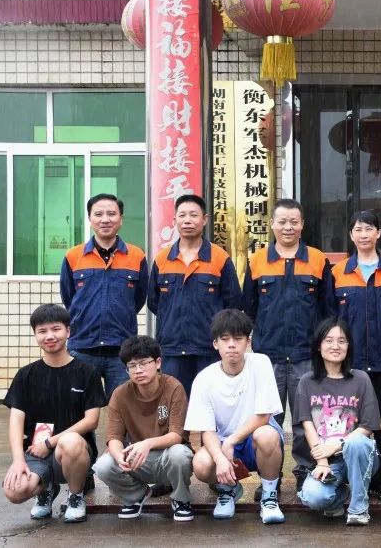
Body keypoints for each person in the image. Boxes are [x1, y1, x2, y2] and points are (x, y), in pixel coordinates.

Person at [244, 198, 336, 491]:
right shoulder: (257, 260)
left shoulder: (318, 260)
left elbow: (328, 310)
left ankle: (306, 473)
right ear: (272, 224)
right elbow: (248, 309)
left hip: (305, 355)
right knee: (267, 421)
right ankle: (269, 480)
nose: (288, 227)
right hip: (267, 356)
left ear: (302, 225)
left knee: (305, 420)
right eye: (282, 221)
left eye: (293, 222)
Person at [2, 304, 106, 523]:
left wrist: (49, 443)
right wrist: (18, 461)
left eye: (56, 329)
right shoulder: (25, 375)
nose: (49, 336)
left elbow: (91, 421)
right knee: (14, 491)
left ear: (68, 331)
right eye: (42, 331)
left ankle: (76, 496)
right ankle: (46, 490)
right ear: (35, 335)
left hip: (72, 452)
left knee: (70, 441)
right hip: (35, 452)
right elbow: (16, 422)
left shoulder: (87, 372)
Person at [329, 210, 381, 503]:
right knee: (347, 422)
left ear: (378, 233)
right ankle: (348, 479)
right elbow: (330, 317)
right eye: (358, 229)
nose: (363, 234)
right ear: (351, 235)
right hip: (349, 360)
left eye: (369, 228)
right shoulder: (337, 272)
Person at [186, 309, 286, 523]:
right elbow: (207, 430)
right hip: (222, 443)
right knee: (201, 464)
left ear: (248, 342)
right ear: (215, 344)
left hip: (253, 440)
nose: (231, 345)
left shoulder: (261, 363)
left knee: (267, 435)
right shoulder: (204, 379)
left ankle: (269, 496)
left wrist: (232, 440)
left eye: (238, 338)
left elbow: (263, 415)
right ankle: (227, 490)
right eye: (225, 339)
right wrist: (220, 458)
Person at [148, 194, 242, 396]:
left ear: (204, 219)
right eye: (182, 215)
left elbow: (233, 303)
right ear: (175, 220)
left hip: (209, 348)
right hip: (171, 348)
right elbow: (154, 303)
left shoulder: (220, 258)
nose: (187, 220)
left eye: (193, 215)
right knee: (173, 403)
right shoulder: (162, 259)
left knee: (211, 401)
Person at [92, 335, 194, 521]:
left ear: (158, 362)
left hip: (167, 456)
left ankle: (181, 499)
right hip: (137, 459)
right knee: (103, 465)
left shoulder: (173, 387)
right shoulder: (120, 394)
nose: (138, 370)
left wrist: (147, 443)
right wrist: (118, 456)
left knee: (180, 454)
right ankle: (136, 495)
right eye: (132, 366)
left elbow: (177, 435)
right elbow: (114, 437)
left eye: (144, 363)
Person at [60, 193, 148, 399]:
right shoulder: (73, 256)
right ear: (90, 219)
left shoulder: (136, 256)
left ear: (121, 219)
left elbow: (138, 299)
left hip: (122, 350)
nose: (105, 219)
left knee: (123, 407)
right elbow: (69, 297)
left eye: (111, 214)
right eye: (98, 214)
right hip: (82, 347)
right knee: (78, 407)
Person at [295, 318, 381, 526]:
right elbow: (307, 424)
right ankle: (340, 494)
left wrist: (336, 445)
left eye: (342, 341)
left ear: (348, 346)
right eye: (329, 340)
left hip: (359, 455)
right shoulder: (307, 381)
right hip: (327, 460)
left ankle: (359, 508)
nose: (335, 346)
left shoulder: (361, 379)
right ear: (319, 346)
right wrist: (322, 461)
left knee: (357, 443)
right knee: (314, 497)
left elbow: (367, 426)